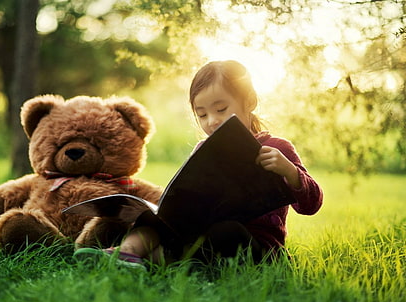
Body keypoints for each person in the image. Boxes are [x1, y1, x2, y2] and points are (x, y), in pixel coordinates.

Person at [75, 60, 323, 267]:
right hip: (200, 236)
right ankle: (125, 254)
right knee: (153, 219)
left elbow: (311, 204)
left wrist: (290, 172)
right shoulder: (203, 150)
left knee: (227, 230)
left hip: (256, 246)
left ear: (249, 102)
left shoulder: (277, 148)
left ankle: (152, 261)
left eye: (222, 109)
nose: (212, 121)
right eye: (202, 114)